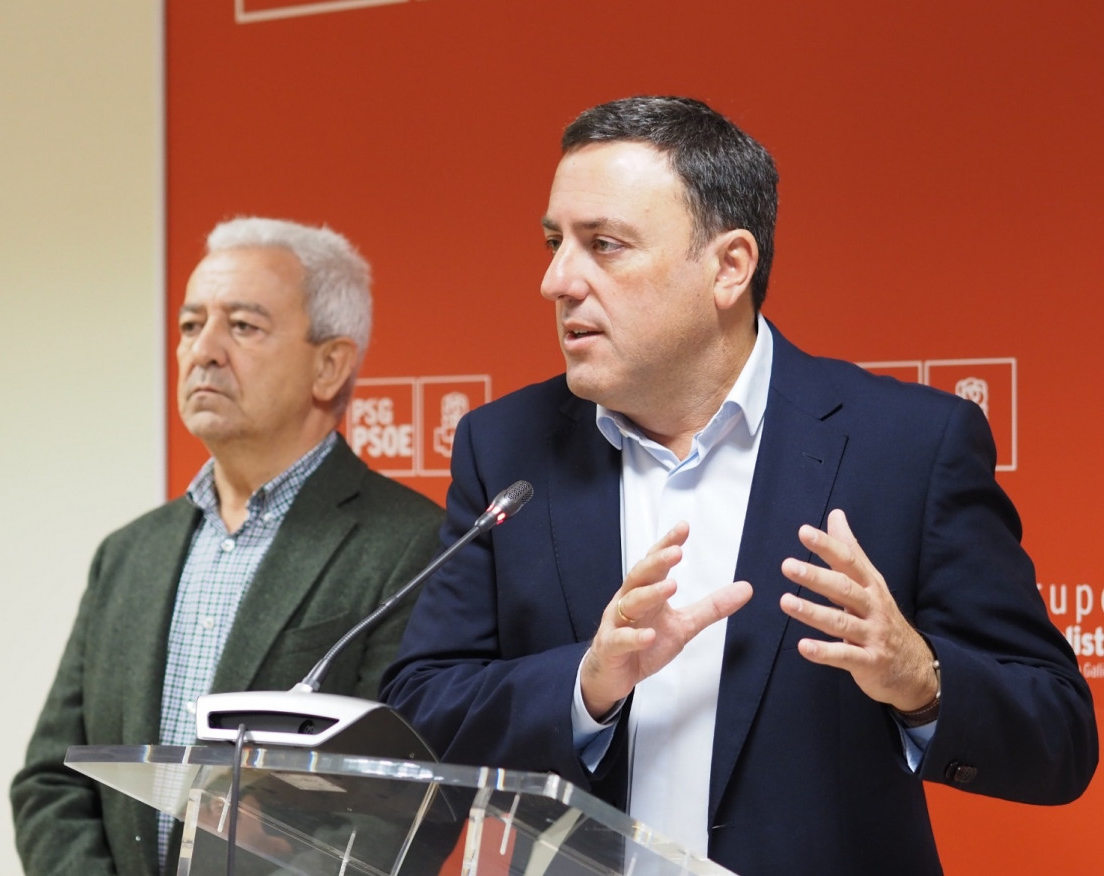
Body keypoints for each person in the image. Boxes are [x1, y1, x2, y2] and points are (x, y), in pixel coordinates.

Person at [380, 97, 1098, 875]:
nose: (556, 280)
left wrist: (919, 679)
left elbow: (1057, 741)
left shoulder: (908, 447)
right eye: (555, 242)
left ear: (729, 267)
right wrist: (587, 683)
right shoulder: (505, 447)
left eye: (604, 245)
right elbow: (420, 714)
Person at [11, 217, 444, 875]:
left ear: (330, 364)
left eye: (242, 326)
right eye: (191, 326)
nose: (203, 350)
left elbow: (398, 807)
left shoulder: (411, 546)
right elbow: (52, 780)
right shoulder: (128, 555)